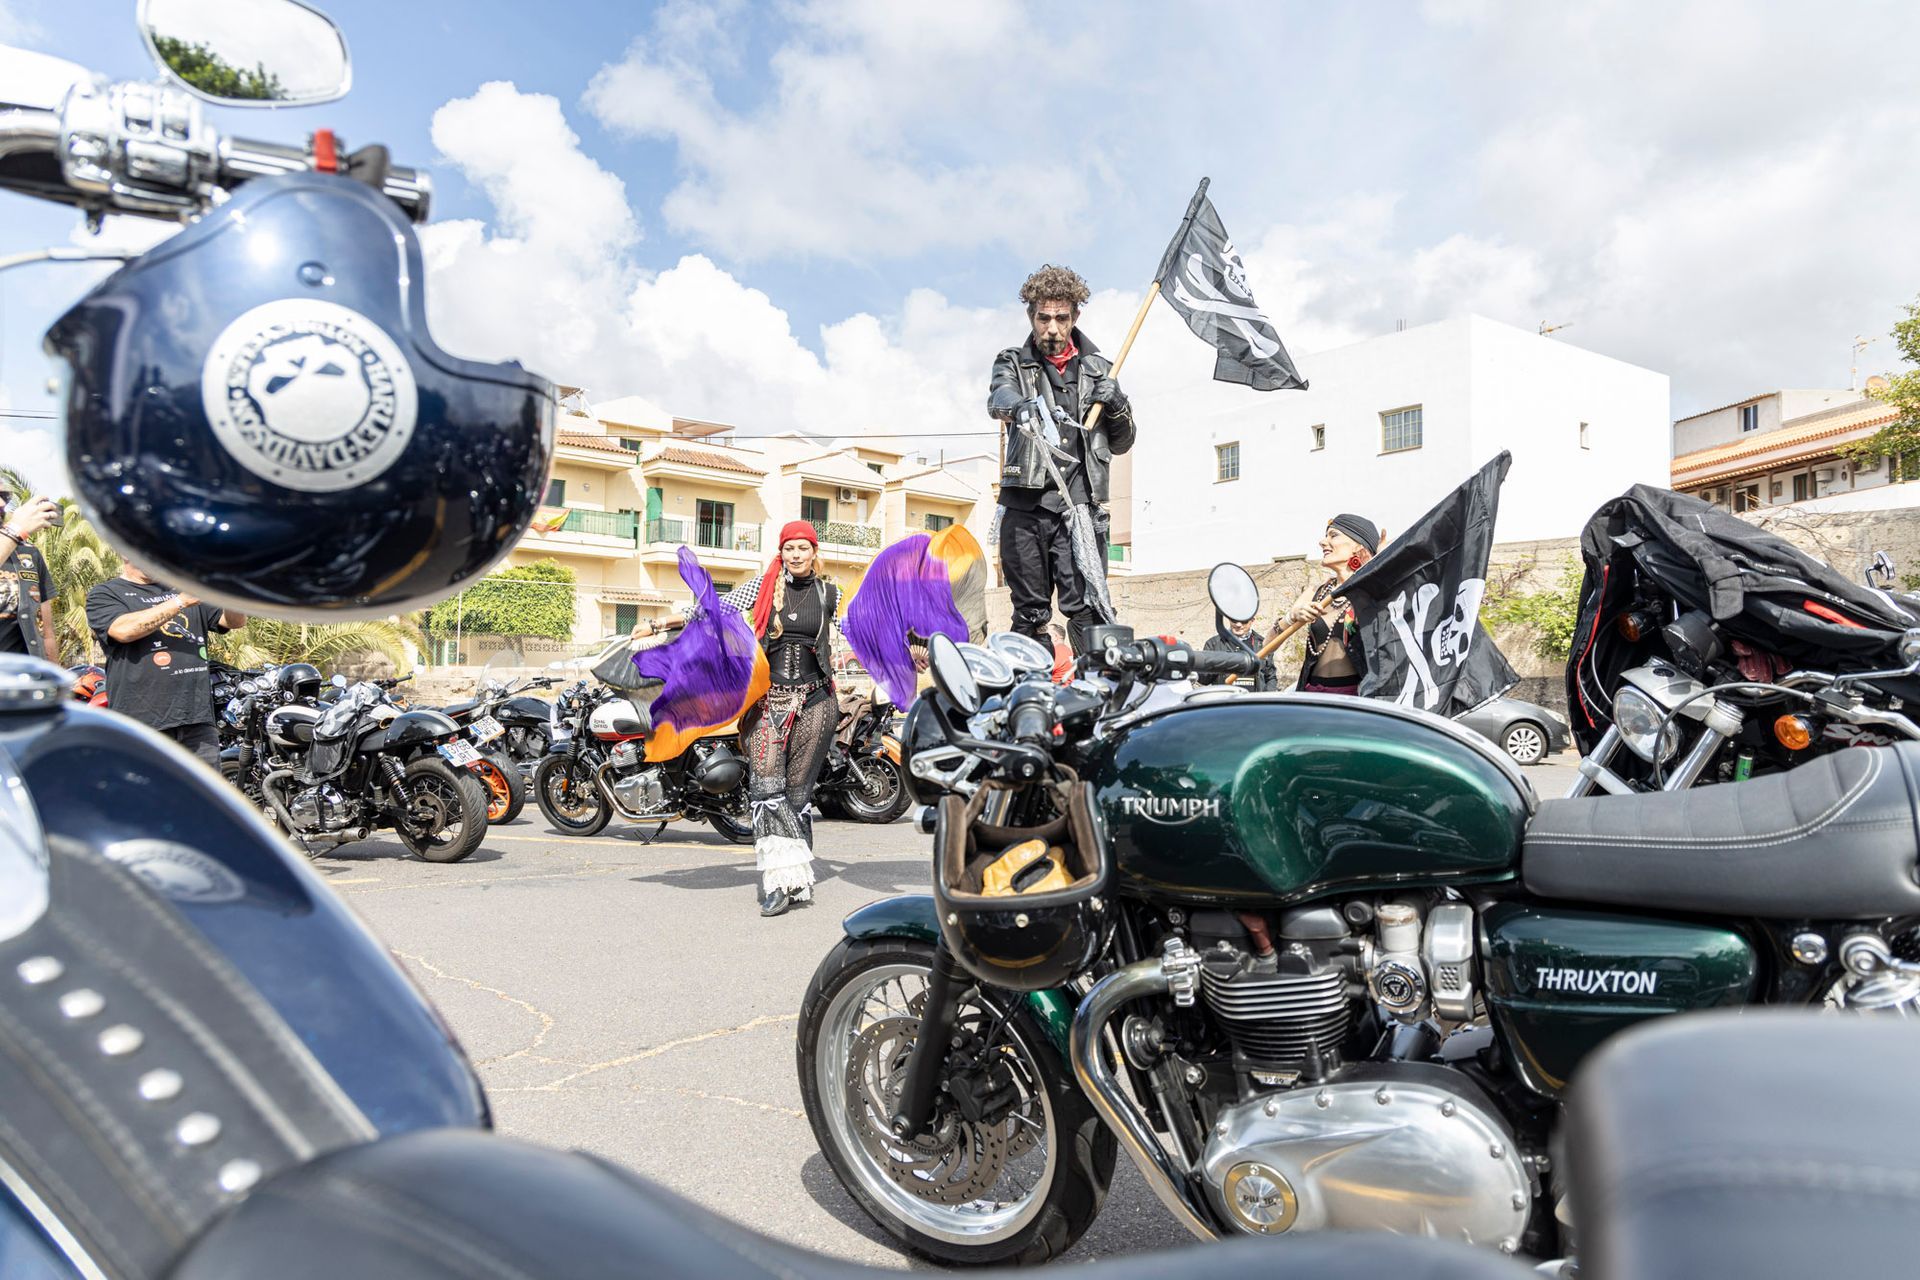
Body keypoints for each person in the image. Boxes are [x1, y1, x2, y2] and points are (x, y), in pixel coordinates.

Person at [634, 520, 840, 918]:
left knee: (797, 797)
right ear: (781, 551)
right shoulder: (760, 588)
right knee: (766, 790)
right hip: (767, 704)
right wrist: (659, 623)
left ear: (814, 552)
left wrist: (910, 648)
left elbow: (858, 631)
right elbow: (709, 609)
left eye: (803, 548)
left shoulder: (831, 592)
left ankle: (795, 877)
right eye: (789, 548)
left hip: (816, 703)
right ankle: (778, 883)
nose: (796, 555)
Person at [987, 264, 1137, 655]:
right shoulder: (1012, 363)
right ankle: (1027, 703)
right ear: (1031, 316)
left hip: (1080, 510)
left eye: (1061, 318)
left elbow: (1123, 442)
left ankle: (1098, 702)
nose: (1052, 328)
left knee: (1087, 611)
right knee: (1030, 614)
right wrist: (1020, 407)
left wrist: (1117, 403)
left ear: (1075, 317)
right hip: (1025, 506)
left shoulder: (1101, 369)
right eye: (1044, 318)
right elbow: (998, 397)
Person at [86, 562, 245, 765]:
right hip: (140, 723)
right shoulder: (105, 593)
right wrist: (180, 602)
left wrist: (232, 593)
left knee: (198, 795)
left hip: (197, 721)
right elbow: (123, 631)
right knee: (148, 795)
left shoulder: (184, 586)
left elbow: (233, 622)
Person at [1282, 514, 1379, 695]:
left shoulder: (1373, 592)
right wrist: (1292, 616)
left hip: (1355, 699)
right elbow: (1271, 640)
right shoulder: (1316, 592)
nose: (1322, 542)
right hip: (1312, 694)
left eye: (1333, 535)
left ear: (1358, 546)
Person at [0, 489, 61, 661]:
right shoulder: (15, 534)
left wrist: (52, 679)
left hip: (23, 678)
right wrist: (15, 531)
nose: (2, 504)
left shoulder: (28, 553)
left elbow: (46, 631)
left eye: (5, 497)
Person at [1200, 616, 1278, 691]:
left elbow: (1270, 677)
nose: (1238, 624)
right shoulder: (1214, 644)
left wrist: (1265, 700)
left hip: (1255, 702)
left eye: (1244, 621)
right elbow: (1204, 679)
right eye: (1234, 620)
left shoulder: (1262, 644)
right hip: (1226, 702)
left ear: (1252, 620)